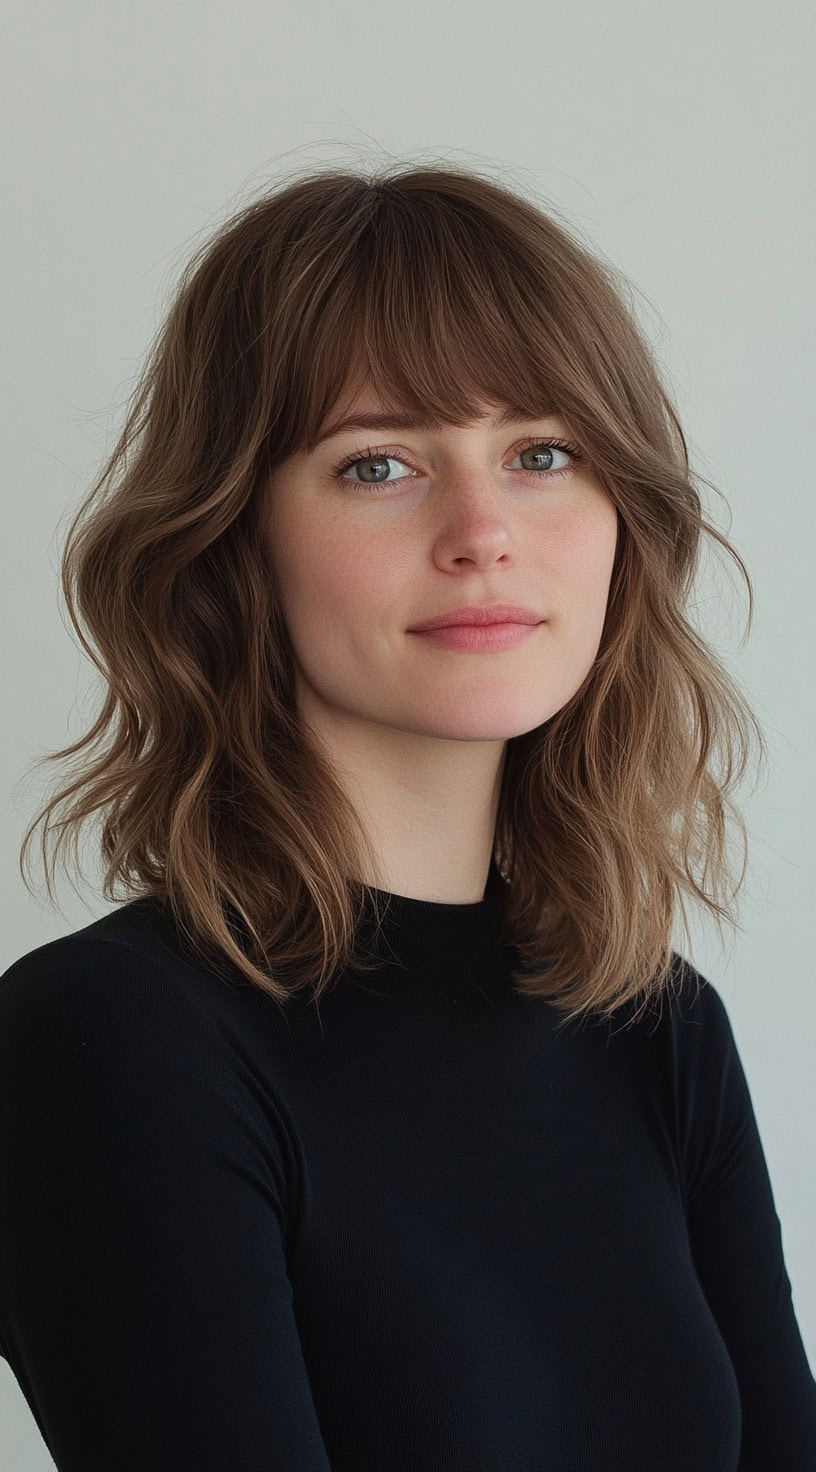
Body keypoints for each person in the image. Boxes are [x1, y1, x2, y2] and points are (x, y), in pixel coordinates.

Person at [2, 161, 814, 1470]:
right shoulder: (111, 1035)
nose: (484, 528)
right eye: (378, 463)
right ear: (233, 542)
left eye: (543, 452)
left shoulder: (658, 1031)